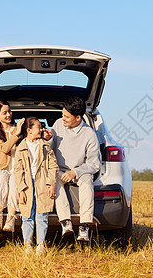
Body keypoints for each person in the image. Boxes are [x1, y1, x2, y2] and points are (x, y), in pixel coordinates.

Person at [44, 97, 101, 242]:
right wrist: (48, 139)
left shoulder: (89, 134)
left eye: (66, 117)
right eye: (62, 115)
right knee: (55, 179)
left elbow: (94, 164)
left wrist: (75, 172)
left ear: (78, 117)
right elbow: (48, 150)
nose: (63, 119)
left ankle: (84, 225)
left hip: (79, 171)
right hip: (60, 170)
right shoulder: (58, 125)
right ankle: (65, 222)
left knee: (87, 180)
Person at [14, 117, 58, 255]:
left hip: (42, 183)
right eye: (38, 127)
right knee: (27, 215)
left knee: (42, 215)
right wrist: (21, 190)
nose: (41, 129)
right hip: (27, 185)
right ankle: (27, 245)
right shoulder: (21, 148)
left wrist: (51, 184)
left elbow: (53, 166)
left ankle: (40, 245)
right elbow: (17, 170)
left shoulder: (45, 146)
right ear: (29, 130)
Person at [0, 100, 25, 232]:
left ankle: (10, 218)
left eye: (9, 111)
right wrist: (16, 134)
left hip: (17, 167)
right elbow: (4, 148)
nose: (9, 114)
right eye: (5, 113)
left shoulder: (19, 129)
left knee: (15, 181)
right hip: (2, 168)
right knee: (2, 179)